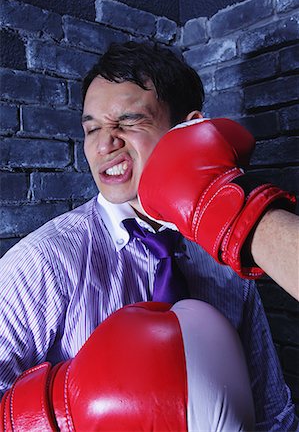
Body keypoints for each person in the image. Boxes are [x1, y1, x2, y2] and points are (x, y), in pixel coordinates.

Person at [0, 41, 298, 430]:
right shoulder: (45, 261)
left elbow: (273, 411)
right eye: (92, 129)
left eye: (128, 121)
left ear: (187, 128)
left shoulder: (227, 260)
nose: (105, 144)